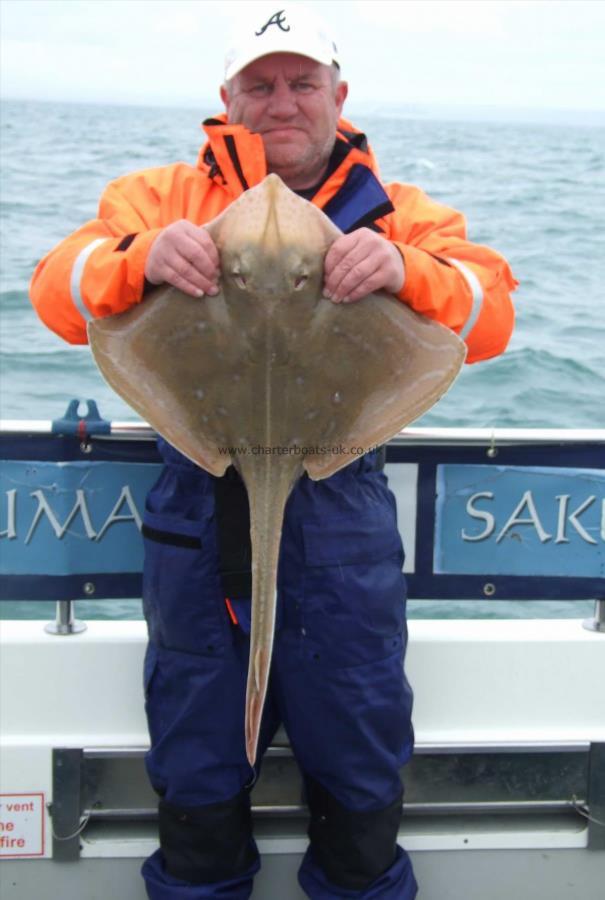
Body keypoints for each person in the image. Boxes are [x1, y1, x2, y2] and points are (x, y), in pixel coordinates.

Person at [30, 6, 517, 898]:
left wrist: (407, 273)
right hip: (196, 500)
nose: (280, 100)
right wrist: (138, 257)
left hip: (339, 501)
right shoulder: (163, 197)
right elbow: (59, 289)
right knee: (199, 742)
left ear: (339, 94)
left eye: (301, 82)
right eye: (259, 84)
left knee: (357, 731)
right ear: (227, 98)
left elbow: (490, 314)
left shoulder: (401, 214)